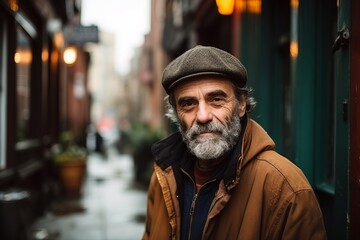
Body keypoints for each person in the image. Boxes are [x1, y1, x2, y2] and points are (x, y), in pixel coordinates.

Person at [142, 45, 327, 240]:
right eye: (188, 104)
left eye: (216, 99)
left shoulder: (285, 188)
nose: (203, 116)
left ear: (241, 104)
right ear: (176, 114)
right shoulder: (163, 177)